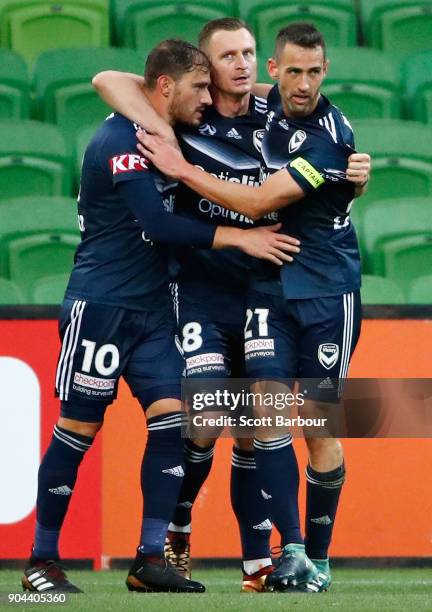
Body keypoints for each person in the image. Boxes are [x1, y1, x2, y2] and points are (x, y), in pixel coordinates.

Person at [21, 38, 301, 595]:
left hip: (153, 310)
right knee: (80, 427)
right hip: (102, 305)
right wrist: (239, 239)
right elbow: (157, 222)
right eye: (199, 86)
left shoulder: (168, 134)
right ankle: (41, 561)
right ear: (168, 87)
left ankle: (151, 557)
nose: (207, 97)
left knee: (174, 420)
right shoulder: (122, 138)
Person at [135, 23, 370, 593]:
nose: (303, 82)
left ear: (326, 72)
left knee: (310, 425)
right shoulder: (242, 113)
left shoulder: (328, 131)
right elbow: (113, 81)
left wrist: (185, 171)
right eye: (292, 70)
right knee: (237, 415)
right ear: (273, 71)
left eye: (314, 71)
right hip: (244, 290)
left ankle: (309, 558)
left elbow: (266, 199)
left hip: (318, 287)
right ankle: (248, 544)